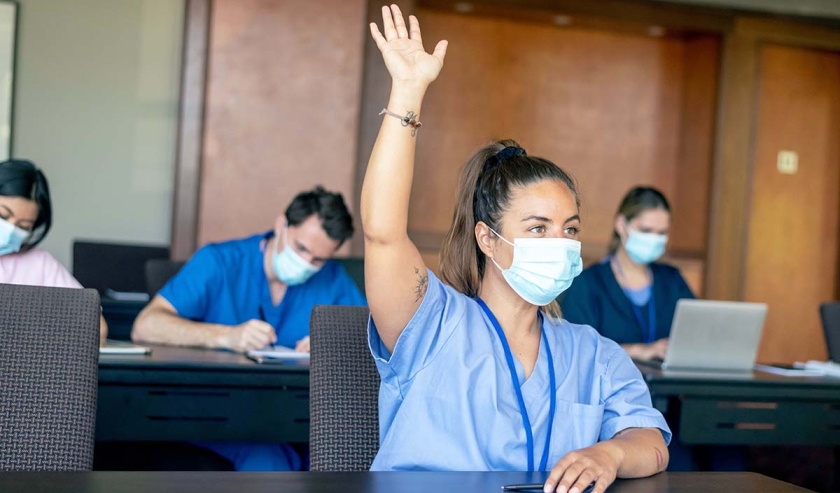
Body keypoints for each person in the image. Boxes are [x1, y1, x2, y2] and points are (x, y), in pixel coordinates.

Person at [362, 6, 669, 492]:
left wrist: (608, 452)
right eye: (537, 227)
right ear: (488, 239)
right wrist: (407, 91)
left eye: (570, 229)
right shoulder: (431, 322)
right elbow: (382, 231)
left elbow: (651, 442)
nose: (561, 243)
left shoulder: (593, 352)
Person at [131, 185, 365, 471]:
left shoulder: (333, 280)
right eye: (300, 248)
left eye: (318, 259)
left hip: (298, 419)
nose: (305, 264)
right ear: (281, 224)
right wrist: (226, 336)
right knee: (270, 465)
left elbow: (373, 338)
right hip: (217, 415)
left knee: (347, 464)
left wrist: (335, 343)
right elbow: (146, 325)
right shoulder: (219, 262)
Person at [561, 187, 694, 362]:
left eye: (662, 233)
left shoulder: (672, 280)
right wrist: (635, 350)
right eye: (646, 230)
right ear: (621, 224)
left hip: (668, 388)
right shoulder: (587, 283)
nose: (654, 239)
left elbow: (698, 335)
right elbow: (577, 349)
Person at [0, 159, 108, 342]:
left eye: (23, 227)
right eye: (3, 216)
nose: (10, 230)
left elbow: (96, 327)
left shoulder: (40, 264)